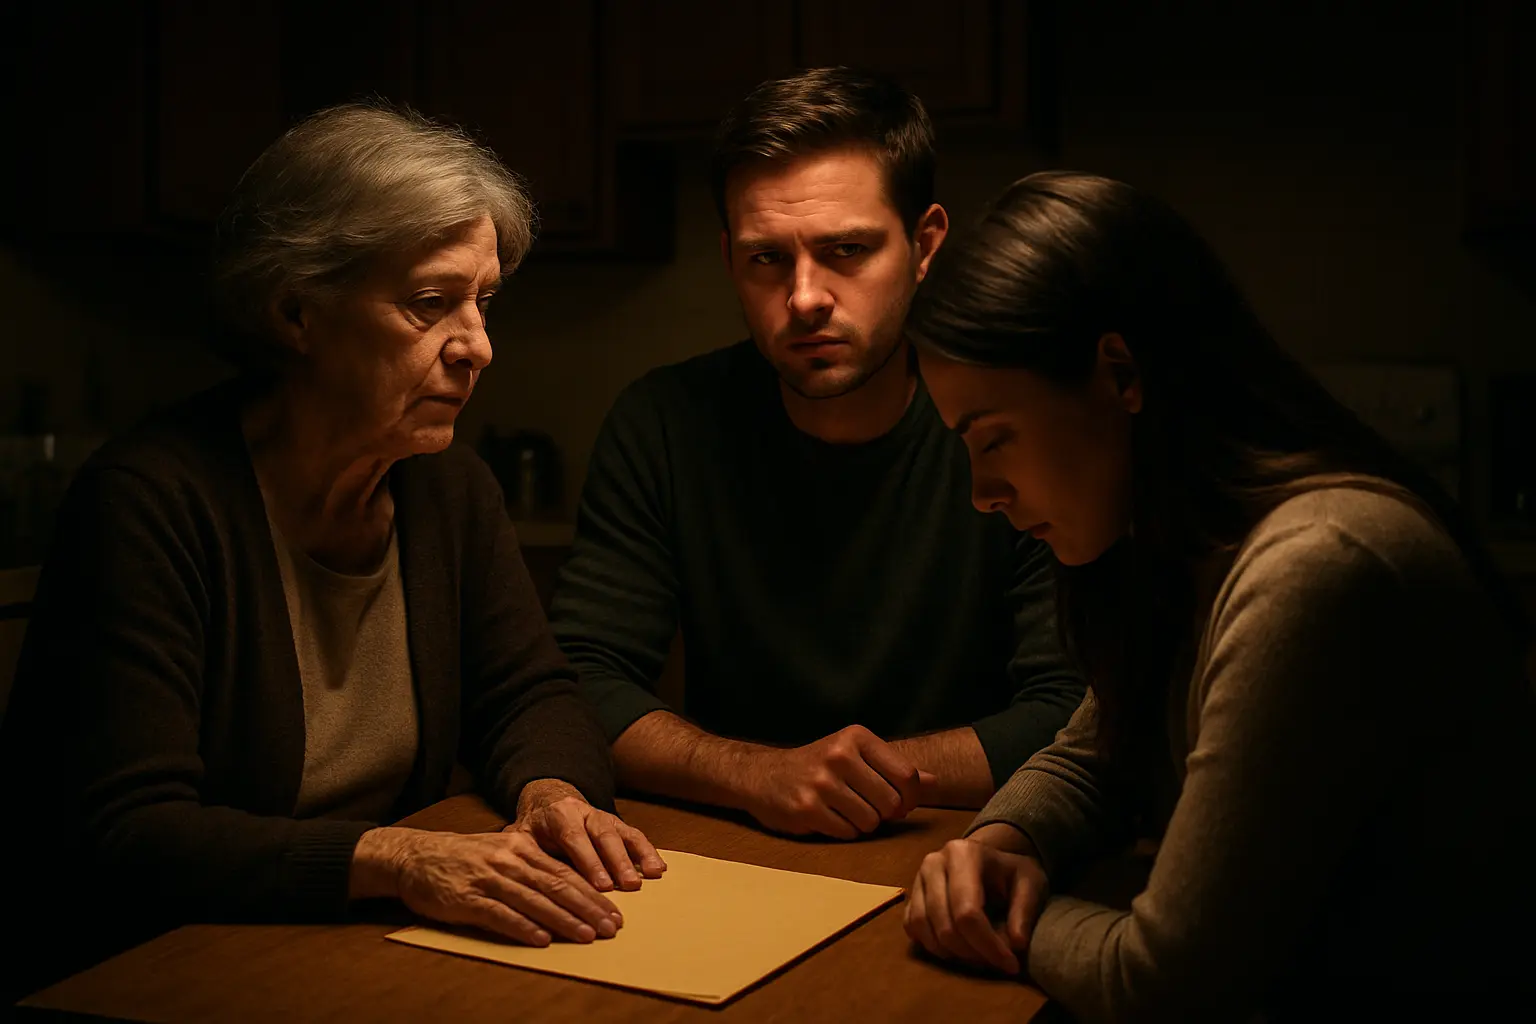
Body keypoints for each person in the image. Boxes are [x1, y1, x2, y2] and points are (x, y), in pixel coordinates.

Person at [0, 103, 665, 1001]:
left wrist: (554, 791)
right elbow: (130, 831)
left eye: (484, 301)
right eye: (431, 304)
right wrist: (394, 857)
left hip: (353, 949)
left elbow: (530, 691)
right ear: (295, 312)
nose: (478, 346)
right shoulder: (150, 503)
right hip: (159, 971)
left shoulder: (449, 489)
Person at [900, 171, 1536, 1019]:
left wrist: (998, 917)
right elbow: (1095, 756)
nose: (983, 492)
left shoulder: (1313, 567)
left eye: (994, 439)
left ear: (1119, 373)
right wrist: (998, 842)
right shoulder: (1173, 548)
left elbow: (1168, 982)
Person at [548, 68, 1084, 842]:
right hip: (735, 848)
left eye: (846, 250)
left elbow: (1071, 712)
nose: (804, 297)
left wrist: (848, 781)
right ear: (731, 258)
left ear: (925, 244)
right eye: (768, 258)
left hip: (967, 846)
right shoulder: (664, 423)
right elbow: (579, 682)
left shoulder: (1009, 426)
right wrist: (757, 775)